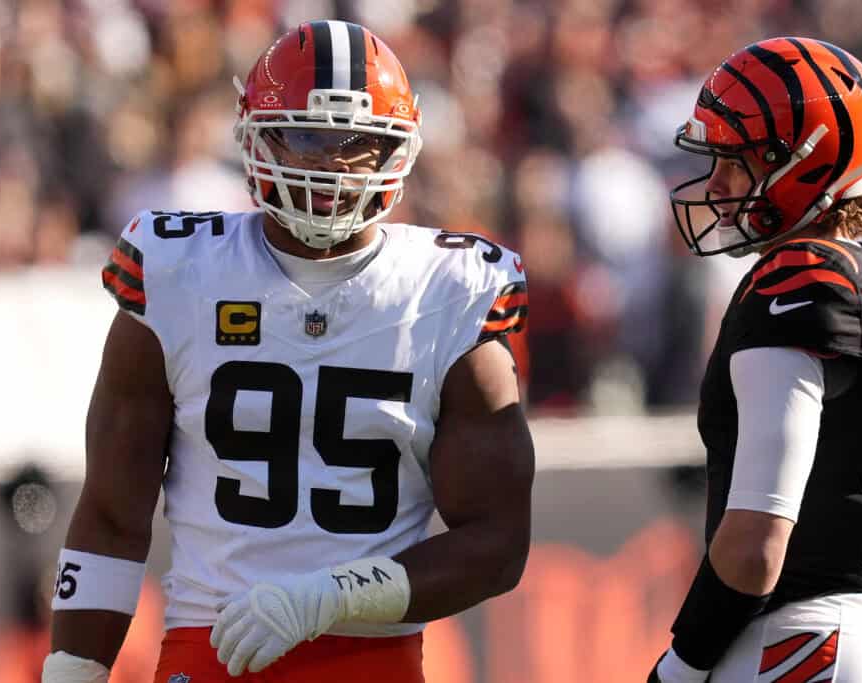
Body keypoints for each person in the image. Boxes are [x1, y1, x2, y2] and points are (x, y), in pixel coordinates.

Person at [42, 20, 534, 683]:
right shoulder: (179, 271)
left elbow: (497, 542)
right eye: (305, 137)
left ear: (401, 149)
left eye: (358, 142)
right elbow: (111, 511)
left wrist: (331, 596)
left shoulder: (450, 291)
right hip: (210, 649)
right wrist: (73, 666)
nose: (331, 163)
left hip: (373, 658)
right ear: (253, 137)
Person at [652, 37, 862, 682]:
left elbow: (757, 539)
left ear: (806, 162)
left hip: (801, 647)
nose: (719, 186)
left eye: (737, 163)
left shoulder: (799, 280)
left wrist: (678, 666)